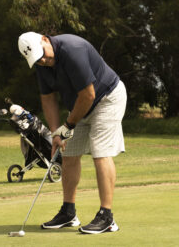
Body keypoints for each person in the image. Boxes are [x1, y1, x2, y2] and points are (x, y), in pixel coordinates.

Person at [18, 32, 127, 234]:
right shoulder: (42, 65)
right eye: (38, 60)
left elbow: (89, 94)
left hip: (107, 98)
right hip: (80, 105)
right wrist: (54, 134)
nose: (43, 60)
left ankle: (107, 217)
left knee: (100, 153)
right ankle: (68, 213)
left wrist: (67, 126)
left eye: (44, 56)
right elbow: (48, 99)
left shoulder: (72, 50)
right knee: (68, 155)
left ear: (44, 39)